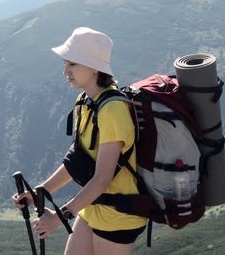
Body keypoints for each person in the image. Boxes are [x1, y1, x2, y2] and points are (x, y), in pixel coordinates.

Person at [12, 27, 147, 255]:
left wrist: (59, 218)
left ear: (94, 67)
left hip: (117, 216)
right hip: (94, 207)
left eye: (72, 63)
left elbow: (102, 179)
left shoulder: (112, 110)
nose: (65, 70)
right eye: (65, 63)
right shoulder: (85, 102)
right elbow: (78, 160)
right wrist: (39, 193)